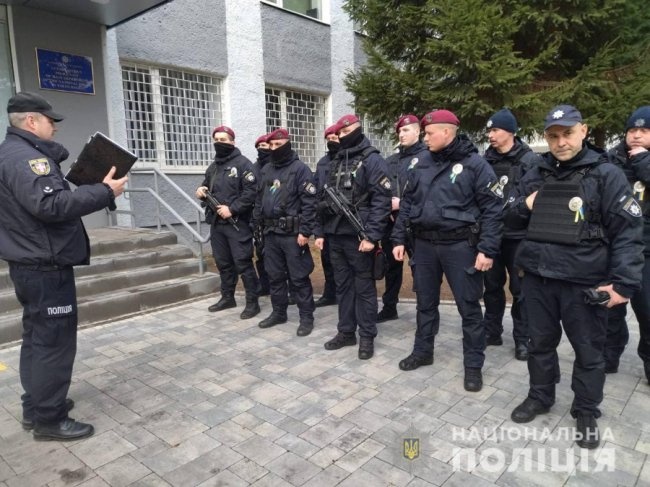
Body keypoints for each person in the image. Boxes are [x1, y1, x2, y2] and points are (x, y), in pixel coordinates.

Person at [506, 105, 643, 449]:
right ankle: (540, 396)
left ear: (583, 131)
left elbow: (628, 232)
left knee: (589, 350)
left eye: (567, 133)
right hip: (538, 277)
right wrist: (525, 205)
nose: (560, 142)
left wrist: (623, 284)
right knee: (539, 344)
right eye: (553, 136)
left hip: (584, 279)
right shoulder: (534, 171)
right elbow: (507, 215)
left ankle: (585, 409)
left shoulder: (606, 174)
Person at [0, 91, 128, 440]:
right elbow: (51, 206)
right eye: (50, 120)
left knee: (37, 337)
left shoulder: (12, 153)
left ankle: (37, 406)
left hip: (31, 261)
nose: (54, 127)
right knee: (53, 342)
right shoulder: (28, 159)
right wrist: (104, 191)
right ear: (31, 121)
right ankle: (49, 420)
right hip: (45, 264)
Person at [391, 109, 502, 392]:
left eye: (429, 133)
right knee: (425, 303)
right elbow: (408, 203)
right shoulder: (420, 162)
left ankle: (473, 366)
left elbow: (493, 210)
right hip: (424, 246)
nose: (425, 138)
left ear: (447, 132)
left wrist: (487, 249)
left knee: (469, 307)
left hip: (460, 246)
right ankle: (422, 351)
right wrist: (398, 238)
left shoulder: (475, 165)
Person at [314, 114, 391, 360]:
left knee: (364, 288)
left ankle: (367, 336)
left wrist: (372, 236)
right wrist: (321, 230)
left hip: (360, 237)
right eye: (341, 133)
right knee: (343, 286)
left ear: (359, 130)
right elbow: (323, 196)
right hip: (335, 235)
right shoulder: (336, 160)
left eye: (348, 132)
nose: (343, 136)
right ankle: (346, 331)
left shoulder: (372, 159)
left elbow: (381, 201)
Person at [481, 109, 542, 360]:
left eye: (495, 130)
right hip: (492, 234)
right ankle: (491, 331)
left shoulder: (530, 161)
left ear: (511, 132)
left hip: (519, 237)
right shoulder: (485, 160)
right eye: (489, 131)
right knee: (491, 287)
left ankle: (522, 339)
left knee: (521, 290)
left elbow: (535, 198)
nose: (490, 135)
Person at [254, 128, 317, 336]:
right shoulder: (266, 170)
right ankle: (279, 312)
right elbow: (259, 199)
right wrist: (258, 226)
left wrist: (305, 232)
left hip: (292, 234)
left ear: (287, 144)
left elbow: (310, 204)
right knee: (274, 276)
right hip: (271, 233)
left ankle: (306, 317)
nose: (274, 148)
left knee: (299, 278)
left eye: (278, 145)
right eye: (271, 145)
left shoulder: (300, 169)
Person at [603, 106, 650, 379]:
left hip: (647, 250)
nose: (636, 135)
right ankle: (609, 357)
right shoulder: (612, 159)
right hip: (615, 246)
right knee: (611, 308)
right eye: (632, 130)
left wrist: (644, 161)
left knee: (647, 311)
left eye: (644, 130)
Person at [195, 125, 260, 320]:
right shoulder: (214, 167)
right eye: (216, 140)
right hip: (217, 224)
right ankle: (227, 297)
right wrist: (201, 190)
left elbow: (251, 192)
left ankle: (252, 303)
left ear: (232, 141)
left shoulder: (243, 164)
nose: (219, 143)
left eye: (223, 140)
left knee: (243, 263)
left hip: (237, 223)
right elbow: (206, 185)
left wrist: (232, 208)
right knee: (223, 262)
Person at [377, 114, 427, 323]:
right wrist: (386, 205)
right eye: (399, 131)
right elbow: (380, 188)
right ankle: (389, 307)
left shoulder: (427, 158)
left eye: (406, 130)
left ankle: (425, 312)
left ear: (418, 131)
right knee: (391, 268)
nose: (401, 134)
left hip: (416, 224)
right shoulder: (390, 161)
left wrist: (402, 203)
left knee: (421, 270)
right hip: (391, 223)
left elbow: (427, 193)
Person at [314, 124, 340, 308]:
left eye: (335, 138)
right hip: (325, 218)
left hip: (343, 219)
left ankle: (346, 294)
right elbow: (316, 192)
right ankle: (330, 293)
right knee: (327, 260)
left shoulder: (348, 159)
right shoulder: (322, 163)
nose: (332, 141)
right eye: (329, 139)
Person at [253, 133, 272, 296]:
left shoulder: (277, 166)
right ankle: (265, 285)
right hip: (258, 218)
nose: (261, 149)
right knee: (261, 253)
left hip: (274, 218)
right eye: (259, 147)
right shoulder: (253, 168)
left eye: (264, 146)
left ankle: (288, 288)